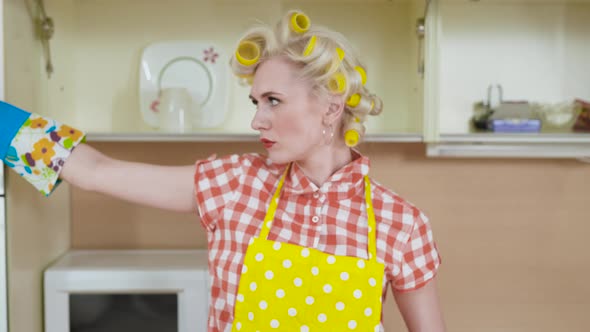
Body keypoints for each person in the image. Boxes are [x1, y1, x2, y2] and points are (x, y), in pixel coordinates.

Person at [0, 10, 444, 332]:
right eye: (256, 103)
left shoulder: (399, 224)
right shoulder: (234, 185)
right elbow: (95, 170)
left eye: (273, 100)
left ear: (330, 105)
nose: (257, 120)